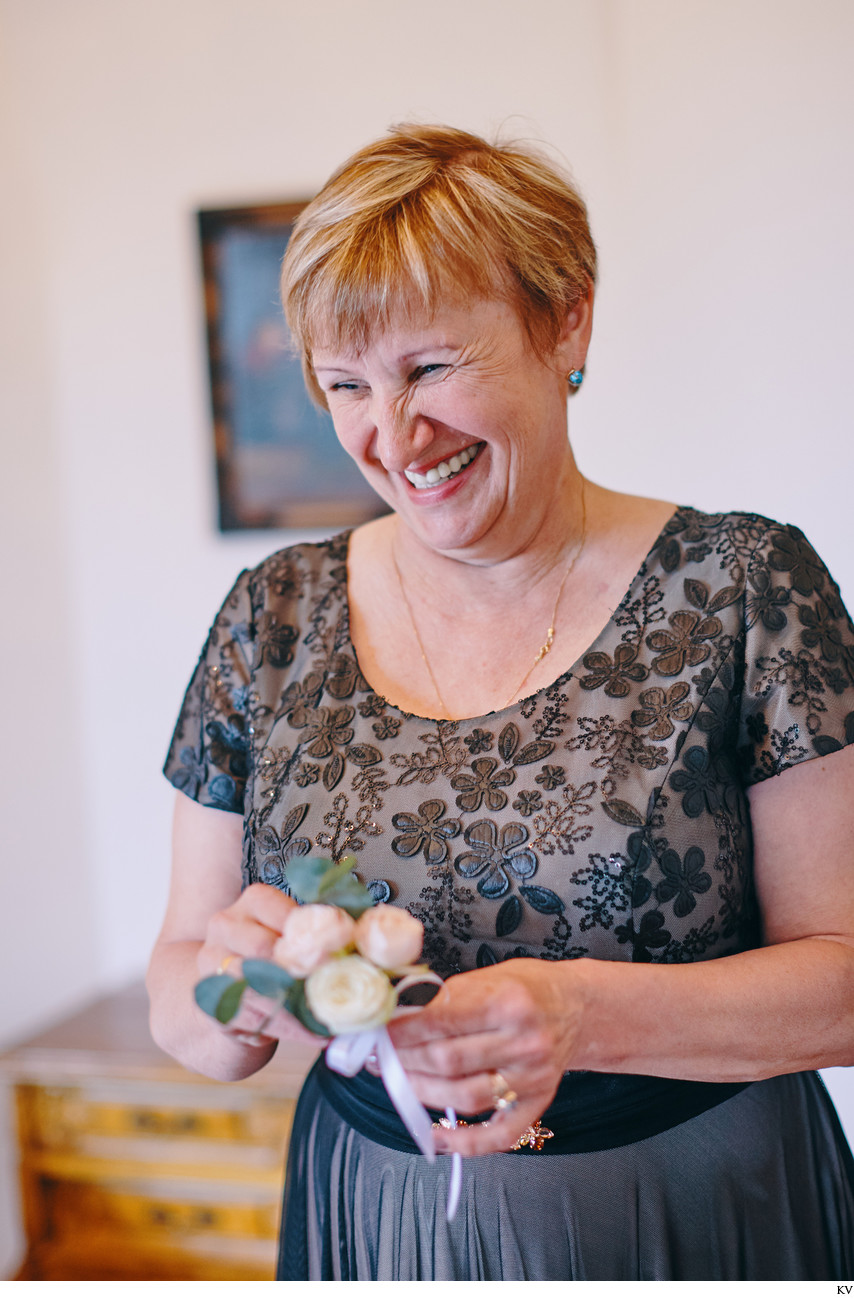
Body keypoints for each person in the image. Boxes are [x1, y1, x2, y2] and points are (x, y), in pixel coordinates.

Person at [147, 124, 854, 1281]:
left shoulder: (742, 588)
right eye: (344, 386)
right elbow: (182, 978)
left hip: (689, 1212)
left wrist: (580, 1013)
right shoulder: (269, 617)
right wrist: (232, 995)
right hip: (373, 1223)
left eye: (429, 366)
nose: (390, 434)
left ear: (563, 320)